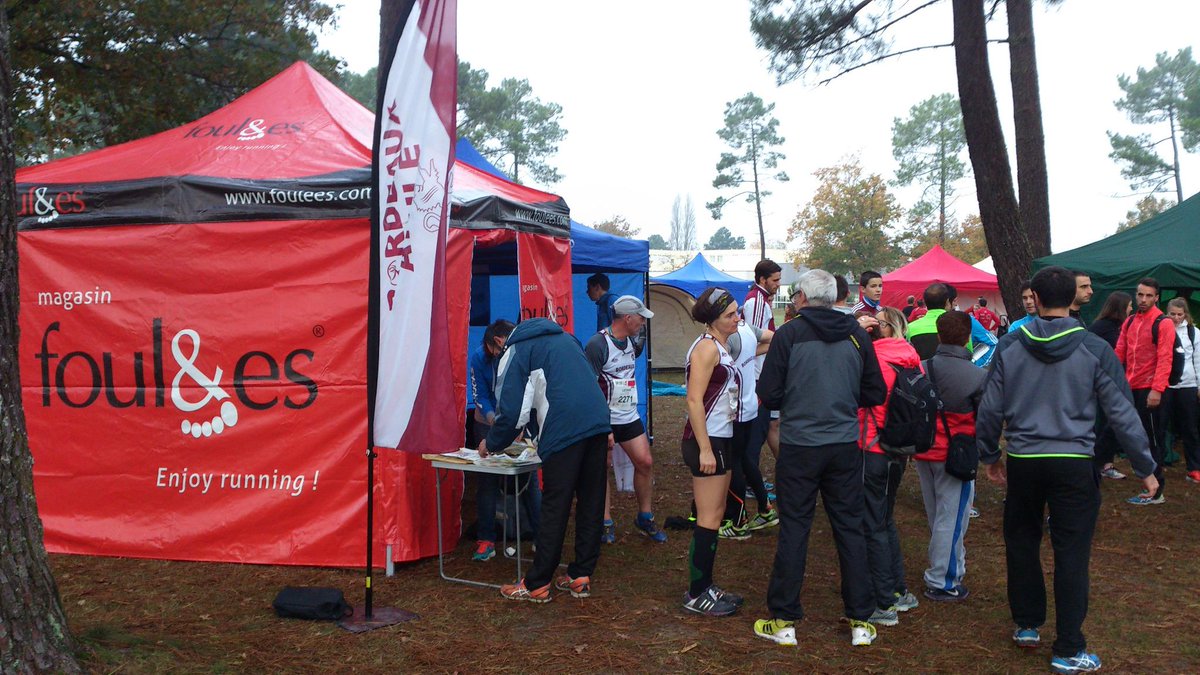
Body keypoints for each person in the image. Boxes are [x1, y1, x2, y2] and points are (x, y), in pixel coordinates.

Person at [977, 265, 1157, 674]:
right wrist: (1146, 467)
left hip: (1026, 461)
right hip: (1073, 462)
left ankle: (1027, 624)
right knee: (1071, 552)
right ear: (1073, 299)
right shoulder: (1093, 349)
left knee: (1022, 541)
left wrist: (990, 454)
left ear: (1035, 301)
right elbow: (1122, 413)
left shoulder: (1010, 346)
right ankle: (1067, 647)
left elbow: (989, 408)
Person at [753, 270, 888, 648]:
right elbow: (874, 391)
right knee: (849, 526)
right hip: (843, 445)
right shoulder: (856, 335)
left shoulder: (790, 335)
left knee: (795, 527)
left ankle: (784, 621)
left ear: (801, 298)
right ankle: (861, 621)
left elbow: (770, 393)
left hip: (799, 446)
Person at [479, 318, 612, 603]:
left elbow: (512, 412)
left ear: (500, 342)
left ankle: (537, 583)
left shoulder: (516, 350)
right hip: (598, 422)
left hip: (564, 428)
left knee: (556, 503)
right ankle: (580, 575)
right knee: (591, 499)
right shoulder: (566, 338)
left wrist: (490, 443)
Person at [680, 287, 759, 616]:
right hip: (706, 440)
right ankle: (698, 593)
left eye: (737, 311)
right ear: (714, 320)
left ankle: (706, 586)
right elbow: (693, 400)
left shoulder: (721, 346)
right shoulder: (706, 349)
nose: (738, 318)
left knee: (715, 513)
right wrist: (706, 449)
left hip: (721, 437)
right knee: (710, 517)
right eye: (730, 315)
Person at [856, 307, 921, 627]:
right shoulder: (910, 355)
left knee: (873, 524)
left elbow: (862, 398)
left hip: (872, 447)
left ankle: (884, 601)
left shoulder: (875, 359)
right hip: (899, 450)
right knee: (885, 519)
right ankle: (898, 589)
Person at [914, 311, 985, 602]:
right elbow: (987, 419)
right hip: (956, 455)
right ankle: (943, 578)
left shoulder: (920, 367)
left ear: (940, 336)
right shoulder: (978, 375)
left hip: (923, 450)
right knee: (952, 518)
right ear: (968, 337)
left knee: (937, 514)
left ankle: (946, 567)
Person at [584, 296, 667, 544]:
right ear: (627, 318)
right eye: (640, 318)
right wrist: (603, 425)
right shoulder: (597, 344)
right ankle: (605, 521)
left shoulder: (632, 340)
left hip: (629, 416)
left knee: (645, 461)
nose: (643, 323)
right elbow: (589, 386)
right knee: (601, 470)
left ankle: (644, 516)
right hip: (604, 419)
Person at [468, 320, 541, 561]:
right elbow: (480, 395)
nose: (497, 354)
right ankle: (486, 539)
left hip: (518, 422)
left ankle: (541, 537)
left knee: (528, 479)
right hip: (488, 424)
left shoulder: (520, 353)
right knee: (487, 480)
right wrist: (495, 421)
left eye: (498, 350)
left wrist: (517, 422)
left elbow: (529, 391)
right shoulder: (479, 357)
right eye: (494, 351)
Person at [1114, 277, 1174, 506]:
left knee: (1152, 439)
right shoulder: (1129, 322)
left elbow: (1165, 358)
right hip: (1131, 387)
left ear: (1157, 297)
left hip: (1151, 389)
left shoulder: (1163, 322)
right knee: (1137, 437)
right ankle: (1149, 485)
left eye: (1149, 295)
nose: (1144, 299)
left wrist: (1157, 389)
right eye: (1140, 294)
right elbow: (1119, 352)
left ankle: (1157, 491)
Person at [741, 259, 782, 514]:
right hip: (756, 378)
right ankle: (748, 481)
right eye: (775, 280)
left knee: (768, 427)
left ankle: (752, 477)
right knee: (756, 433)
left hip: (761, 376)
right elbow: (751, 343)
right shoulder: (756, 301)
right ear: (762, 278)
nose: (778, 284)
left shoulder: (762, 299)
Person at [1089, 291, 1133, 481]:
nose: (1132, 308)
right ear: (1121, 307)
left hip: (1115, 382)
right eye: (1130, 305)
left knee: (1112, 425)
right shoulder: (1102, 327)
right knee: (1104, 426)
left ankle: (1105, 464)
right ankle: (1096, 464)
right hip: (1102, 384)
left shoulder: (1120, 326)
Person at [1163, 298, 1200, 485]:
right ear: (1166, 313)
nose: (1176, 318)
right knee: (1160, 426)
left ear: (1185, 314)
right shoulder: (1161, 329)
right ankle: (1158, 464)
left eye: (1180, 314)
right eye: (1172, 314)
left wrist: (1199, 386)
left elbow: (1198, 360)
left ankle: (1194, 468)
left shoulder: (1194, 333)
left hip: (1187, 385)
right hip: (1165, 385)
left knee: (1190, 428)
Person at [907, 283, 952, 360]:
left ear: (925, 302)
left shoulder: (910, 328)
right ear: (947, 301)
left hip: (921, 370)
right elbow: (967, 353)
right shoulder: (958, 325)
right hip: (952, 370)